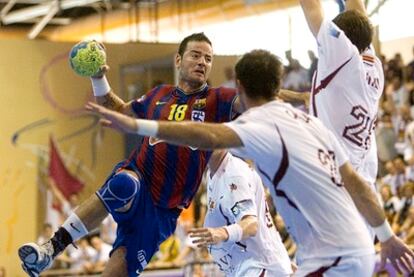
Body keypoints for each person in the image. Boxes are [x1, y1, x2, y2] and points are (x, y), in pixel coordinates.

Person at [88, 49, 414, 275]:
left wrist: (137, 126)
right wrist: (386, 236)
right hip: (354, 248)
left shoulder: (257, 127)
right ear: (278, 84)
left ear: (239, 88)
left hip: (329, 258)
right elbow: (357, 185)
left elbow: (206, 136)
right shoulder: (311, 123)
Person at [18, 32, 240, 277]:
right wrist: (98, 77)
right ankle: (50, 249)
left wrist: (282, 102)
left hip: (161, 212)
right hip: (139, 177)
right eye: (196, 55)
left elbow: (260, 101)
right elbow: (120, 111)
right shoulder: (159, 95)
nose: (202, 62)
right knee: (123, 183)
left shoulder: (218, 100)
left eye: (208, 59)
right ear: (178, 60)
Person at [188, 150, 292, 276]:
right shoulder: (214, 172)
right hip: (252, 267)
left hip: (257, 269)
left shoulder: (234, 176)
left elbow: (251, 224)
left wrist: (222, 233)